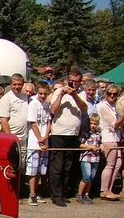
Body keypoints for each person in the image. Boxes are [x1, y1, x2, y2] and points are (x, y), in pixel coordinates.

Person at [48, 69, 87, 207]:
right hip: (59, 133)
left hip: (73, 134)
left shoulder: (81, 94)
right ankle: (56, 195)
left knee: (67, 167)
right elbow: (53, 110)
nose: (73, 84)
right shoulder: (59, 92)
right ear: (67, 80)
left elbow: (83, 108)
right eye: (71, 81)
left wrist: (74, 95)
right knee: (57, 166)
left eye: (76, 82)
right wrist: (62, 95)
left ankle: (64, 193)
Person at [25, 82, 52, 205]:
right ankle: (32, 193)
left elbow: (48, 122)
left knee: (42, 169)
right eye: (40, 93)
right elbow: (33, 123)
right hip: (34, 141)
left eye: (45, 94)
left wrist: (46, 136)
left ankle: (39, 190)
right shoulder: (33, 104)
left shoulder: (47, 104)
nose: (42, 96)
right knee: (33, 169)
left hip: (45, 140)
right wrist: (40, 139)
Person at [97, 84, 123, 200]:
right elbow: (115, 124)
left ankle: (110, 189)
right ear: (105, 93)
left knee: (118, 164)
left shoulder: (115, 106)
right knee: (110, 164)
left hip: (116, 138)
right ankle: (104, 190)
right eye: (109, 93)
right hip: (108, 138)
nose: (112, 96)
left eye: (114, 94)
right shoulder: (103, 107)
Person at [77, 113, 101, 204]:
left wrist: (101, 146)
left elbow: (100, 143)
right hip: (86, 158)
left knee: (91, 177)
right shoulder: (85, 133)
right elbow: (79, 145)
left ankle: (86, 194)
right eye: (91, 123)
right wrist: (90, 147)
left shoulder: (98, 134)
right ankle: (79, 194)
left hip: (95, 158)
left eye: (95, 124)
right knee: (86, 176)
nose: (93, 126)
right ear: (88, 123)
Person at [0, 73, 29, 146]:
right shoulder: (6, 99)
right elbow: (3, 121)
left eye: (19, 84)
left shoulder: (25, 97)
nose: (17, 87)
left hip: (24, 137)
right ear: (11, 85)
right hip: (13, 137)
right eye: (15, 84)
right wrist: (11, 138)